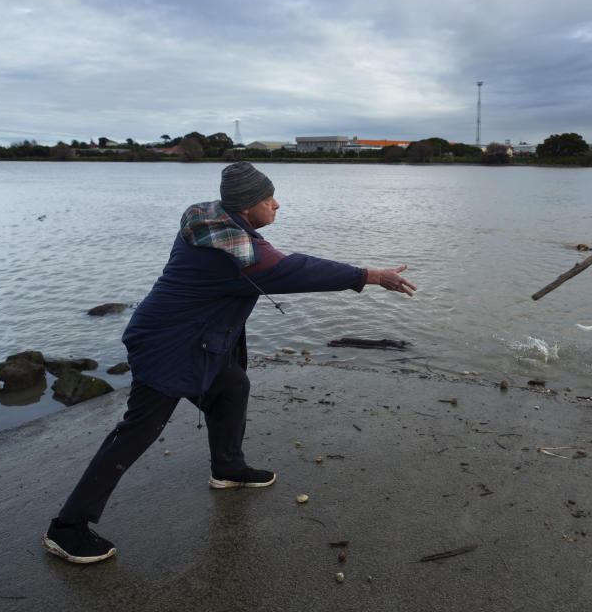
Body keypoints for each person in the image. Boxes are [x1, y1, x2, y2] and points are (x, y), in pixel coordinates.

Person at [42, 162, 416, 564]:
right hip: (168, 346)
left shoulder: (207, 221)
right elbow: (296, 269)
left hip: (192, 341)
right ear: (244, 206)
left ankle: (228, 468)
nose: (277, 204)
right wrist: (371, 275)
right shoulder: (235, 254)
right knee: (138, 431)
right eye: (267, 199)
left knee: (232, 387)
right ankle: (67, 528)